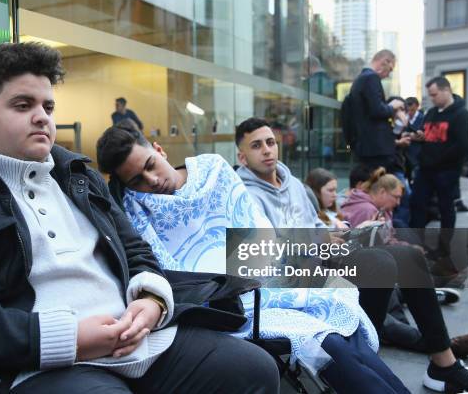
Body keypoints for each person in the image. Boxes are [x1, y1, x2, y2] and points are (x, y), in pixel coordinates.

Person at [0, 43, 280, 394]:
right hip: (39, 362)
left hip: (140, 336)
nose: (42, 117)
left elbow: (136, 250)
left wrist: (151, 300)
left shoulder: (78, 174)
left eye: (48, 107)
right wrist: (67, 339)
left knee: (254, 370)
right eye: (23, 106)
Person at [97, 121, 409, 394]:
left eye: (150, 164)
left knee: (347, 328)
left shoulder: (214, 170)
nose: (151, 181)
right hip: (228, 305)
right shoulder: (138, 212)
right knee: (329, 342)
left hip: (269, 276)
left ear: (160, 149)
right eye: (136, 180)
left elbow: (256, 229)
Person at [341, 168, 468, 392]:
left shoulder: (377, 209)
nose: (397, 202)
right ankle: (450, 343)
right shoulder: (365, 209)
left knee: (410, 258)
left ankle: (444, 361)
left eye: (270, 142)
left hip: (364, 267)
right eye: (259, 145)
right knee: (392, 310)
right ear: (382, 191)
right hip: (338, 271)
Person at [409, 76, 468, 274]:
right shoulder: (430, 113)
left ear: (446, 91)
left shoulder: (462, 115)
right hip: (426, 170)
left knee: (446, 209)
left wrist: (437, 160)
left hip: (446, 171)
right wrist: (419, 136)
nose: (432, 99)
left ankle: (443, 250)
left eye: (435, 95)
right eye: (430, 95)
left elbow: (461, 146)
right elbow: (425, 133)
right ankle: (415, 246)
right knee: (417, 203)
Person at [347, 49, 405, 171]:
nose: (389, 74)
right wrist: (393, 106)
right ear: (384, 62)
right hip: (376, 149)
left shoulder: (361, 79)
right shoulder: (371, 77)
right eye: (390, 69)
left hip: (368, 147)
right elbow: (377, 110)